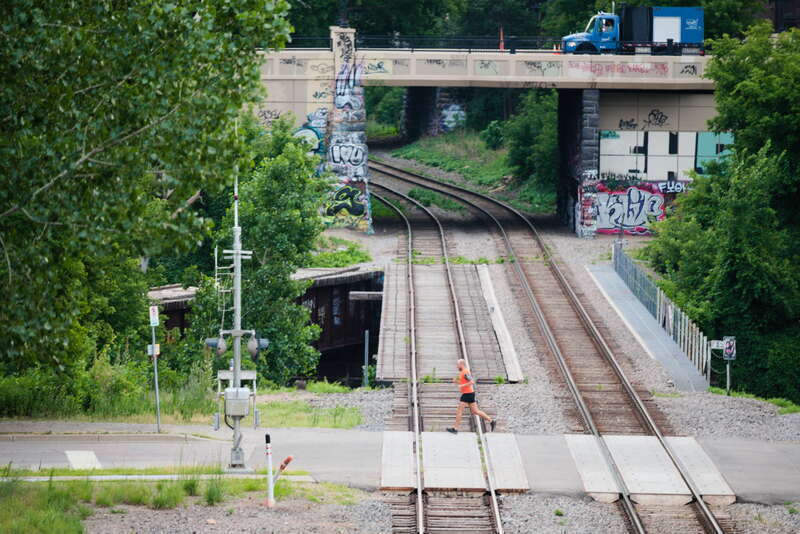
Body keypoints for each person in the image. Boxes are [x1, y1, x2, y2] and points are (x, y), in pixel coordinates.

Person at [446, 359, 496, 434]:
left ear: (461, 364)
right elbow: (463, 382)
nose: (457, 366)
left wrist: (462, 385)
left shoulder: (465, 372)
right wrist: (456, 381)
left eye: (457, 364)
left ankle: (455, 428)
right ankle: (491, 421)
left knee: (459, 410)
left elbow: (472, 381)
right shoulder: (462, 372)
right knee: (475, 411)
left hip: (467, 394)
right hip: (470, 393)